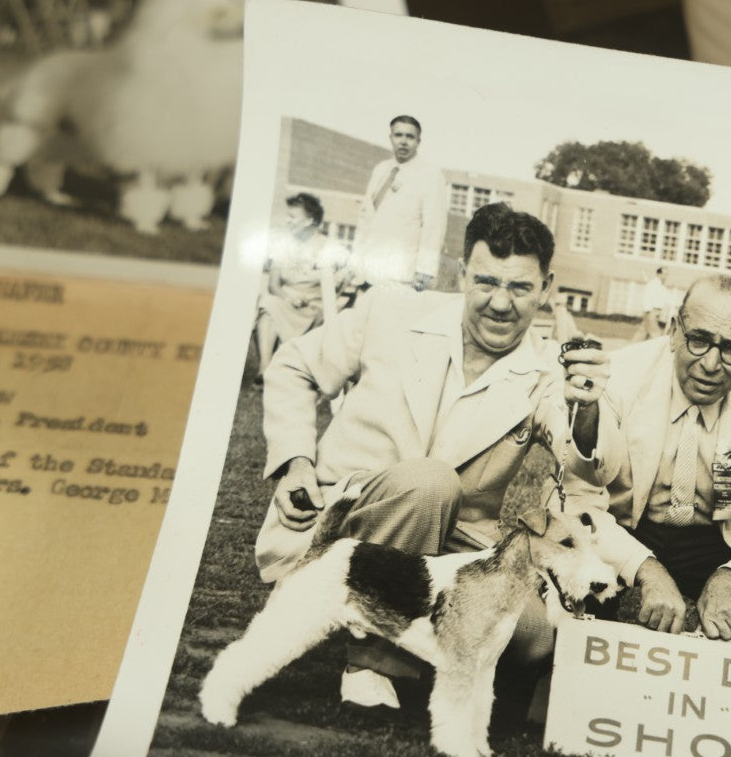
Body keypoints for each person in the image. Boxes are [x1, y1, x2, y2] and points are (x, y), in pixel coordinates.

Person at [259, 202, 617, 707]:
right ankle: (373, 663)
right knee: (430, 482)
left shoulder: (548, 369)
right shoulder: (390, 310)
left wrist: (589, 407)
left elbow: (580, 464)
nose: (500, 303)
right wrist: (296, 461)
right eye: (487, 282)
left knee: (534, 642)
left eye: (519, 288)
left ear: (547, 288)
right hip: (350, 521)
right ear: (461, 272)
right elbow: (293, 368)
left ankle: (408, 634)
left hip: (452, 546)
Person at [566, 275, 731, 645]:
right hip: (627, 524)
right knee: (577, 575)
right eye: (699, 340)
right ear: (674, 330)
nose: (711, 364)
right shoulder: (619, 377)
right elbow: (576, 502)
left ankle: (727, 675)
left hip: (716, 536)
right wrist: (643, 569)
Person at [344, 115, 445, 293]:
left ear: (418, 141)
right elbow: (366, 219)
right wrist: (354, 261)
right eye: (398, 135)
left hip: (399, 273)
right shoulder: (380, 169)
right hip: (366, 270)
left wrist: (425, 270)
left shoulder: (430, 175)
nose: (404, 141)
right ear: (390, 137)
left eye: (410, 137)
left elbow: (434, 226)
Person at [253, 191, 345, 374]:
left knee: (269, 307)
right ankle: (264, 368)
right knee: (267, 303)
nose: (287, 220)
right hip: (287, 302)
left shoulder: (327, 246)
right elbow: (274, 285)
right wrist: (288, 299)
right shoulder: (281, 245)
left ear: (310, 221)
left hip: (315, 309)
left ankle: (274, 368)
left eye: (292, 216)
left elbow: (343, 279)